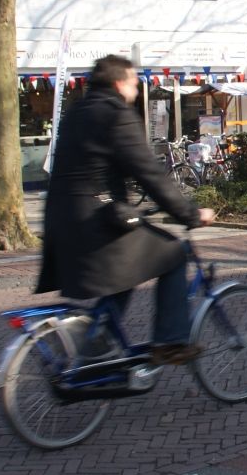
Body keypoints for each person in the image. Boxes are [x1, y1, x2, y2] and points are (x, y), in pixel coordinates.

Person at [36, 54, 216, 366]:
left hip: (62, 219)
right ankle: (170, 341)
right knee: (173, 253)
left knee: (127, 266)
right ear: (120, 83)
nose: (137, 88)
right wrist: (189, 213)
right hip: (96, 220)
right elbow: (149, 173)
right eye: (135, 82)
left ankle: (98, 343)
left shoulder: (77, 112)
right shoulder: (115, 114)